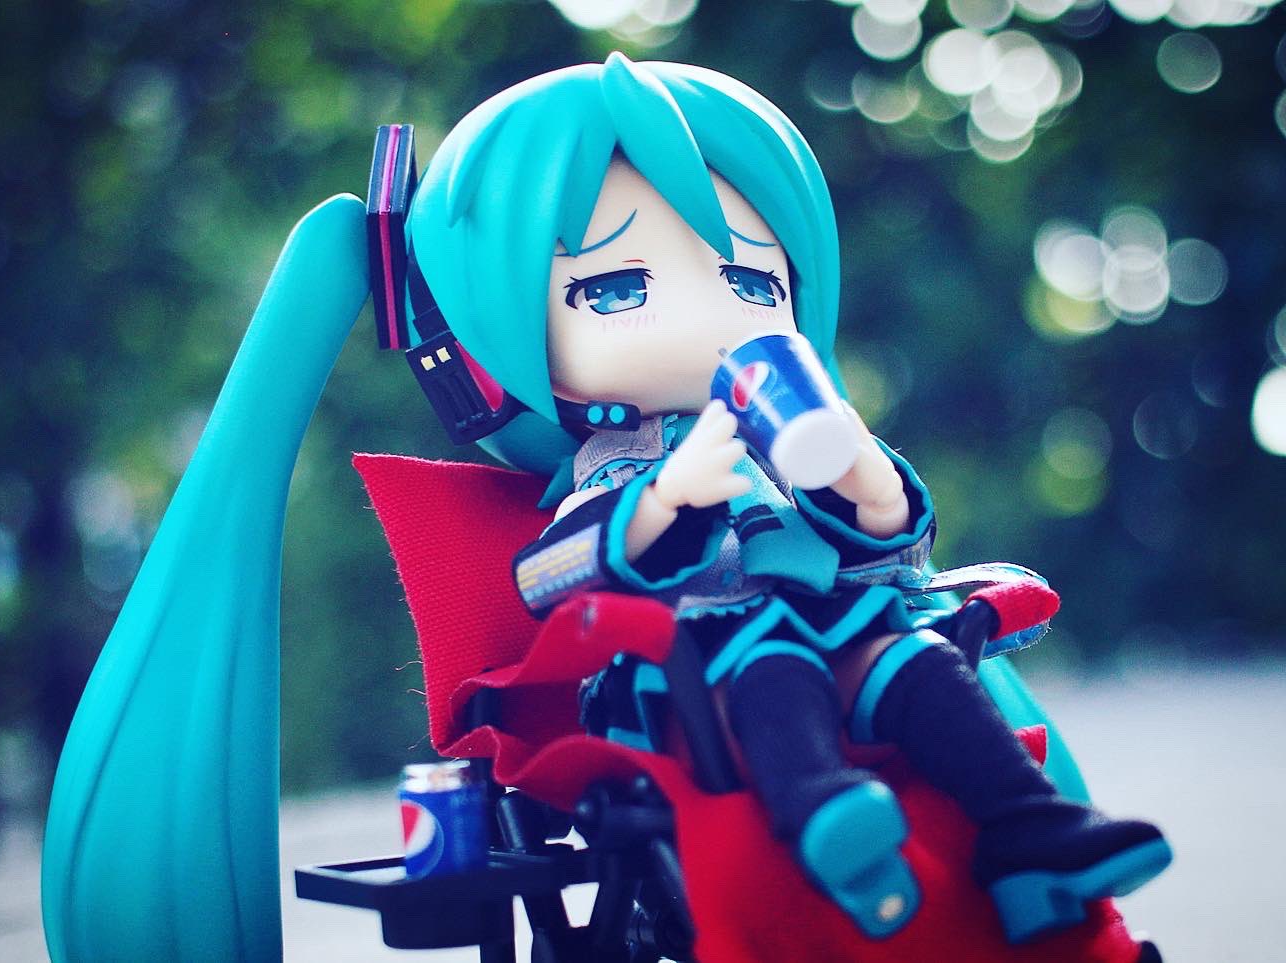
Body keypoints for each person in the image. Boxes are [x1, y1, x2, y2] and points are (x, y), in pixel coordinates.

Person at [407, 54, 1170, 942]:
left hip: (829, 629)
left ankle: (1031, 830)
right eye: (613, 288)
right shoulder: (612, 466)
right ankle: (824, 815)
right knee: (771, 661)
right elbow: (548, 576)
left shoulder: (781, 428)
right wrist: (665, 502)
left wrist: (869, 490)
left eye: (753, 284)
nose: (708, 318)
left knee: (918, 662)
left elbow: (889, 562)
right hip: (680, 678)